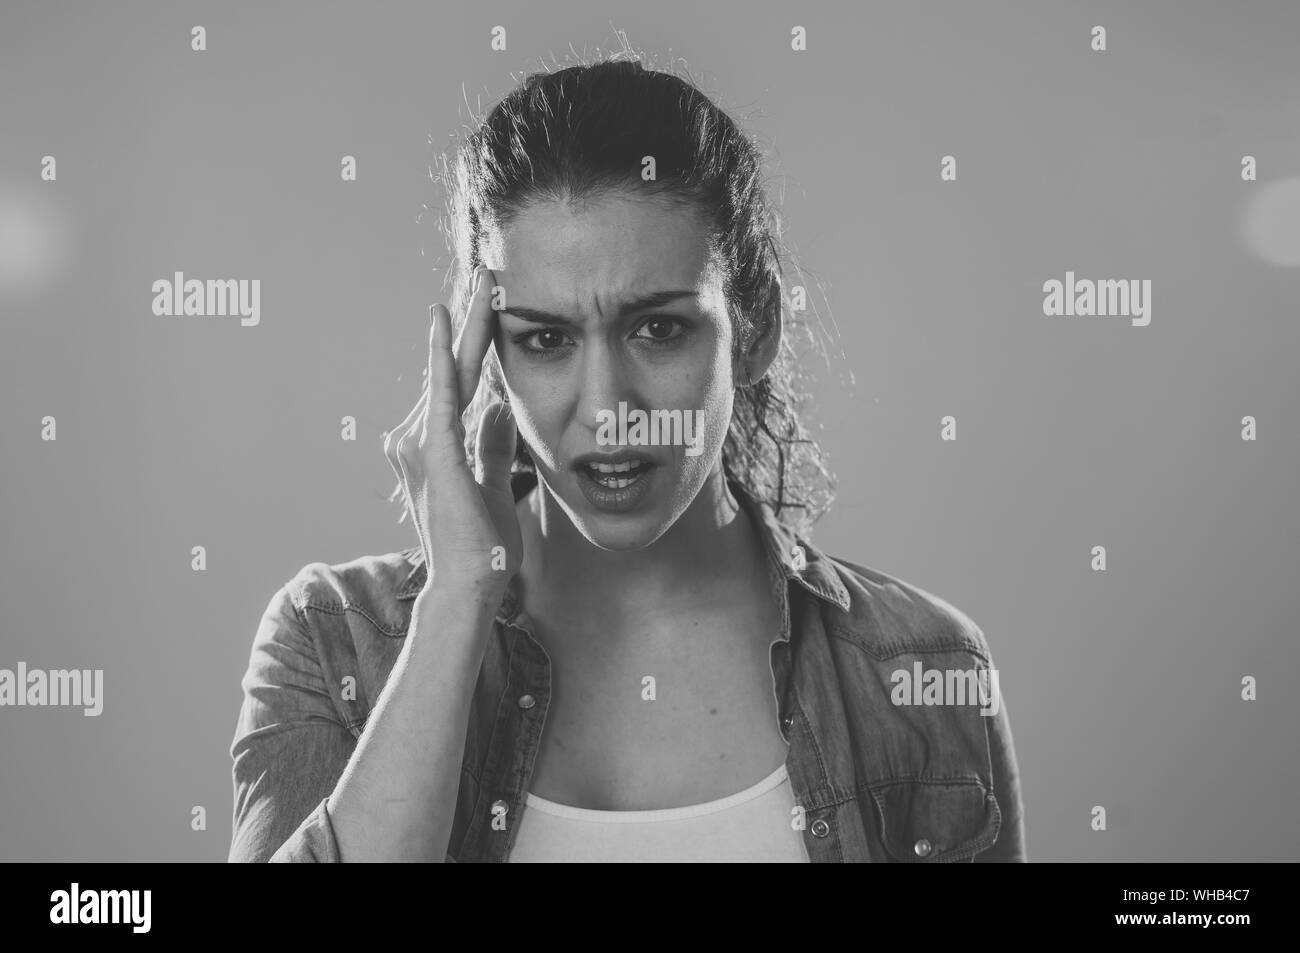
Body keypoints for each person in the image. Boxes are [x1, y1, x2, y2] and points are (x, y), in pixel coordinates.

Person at [228, 55, 1026, 862]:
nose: (607, 410)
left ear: (755, 331)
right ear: (486, 359)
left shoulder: (925, 672)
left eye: (658, 329)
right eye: (546, 339)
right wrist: (456, 602)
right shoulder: (334, 643)